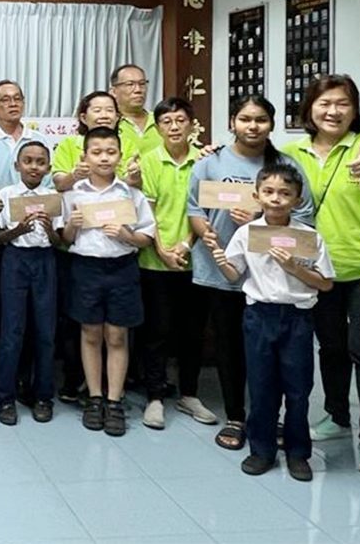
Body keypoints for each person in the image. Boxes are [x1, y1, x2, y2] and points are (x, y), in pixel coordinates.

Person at [284, 74, 360, 478]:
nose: (333, 111)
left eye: (343, 104)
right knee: (330, 348)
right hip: (319, 270)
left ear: (354, 110)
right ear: (310, 109)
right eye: (325, 103)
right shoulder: (290, 152)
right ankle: (337, 416)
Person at [188, 94, 315, 452]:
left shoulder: (285, 165)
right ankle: (236, 416)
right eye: (245, 119)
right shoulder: (210, 162)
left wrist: (260, 223)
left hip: (272, 277)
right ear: (232, 123)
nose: (252, 126)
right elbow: (194, 207)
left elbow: (305, 217)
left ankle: (269, 418)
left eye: (260, 119)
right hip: (221, 270)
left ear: (271, 125)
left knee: (270, 352)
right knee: (229, 348)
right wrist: (204, 232)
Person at [212, 164, 335, 482]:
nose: (276, 199)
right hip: (259, 317)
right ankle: (261, 450)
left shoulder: (308, 236)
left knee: (298, 390)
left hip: (297, 318)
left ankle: (298, 453)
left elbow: (325, 284)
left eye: (285, 193)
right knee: (262, 387)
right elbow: (234, 275)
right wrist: (221, 261)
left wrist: (295, 267)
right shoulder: (247, 233)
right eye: (268, 192)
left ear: (297, 199)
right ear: (256, 196)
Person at [60, 127, 156, 437]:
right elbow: (64, 239)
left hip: (122, 268)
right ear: (85, 156)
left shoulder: (131, 194)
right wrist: (73, 227)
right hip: (85, 268)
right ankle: (94, 397)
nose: (104, 157)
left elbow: (145, 238)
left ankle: (114, 401)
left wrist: (126, 235)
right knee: (90, 333)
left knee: (117, 335)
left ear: (119, 155)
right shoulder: (74, 194)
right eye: (97, 152)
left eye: (110, 151)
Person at [136, 97, 216, 430]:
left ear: (191, 125)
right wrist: (164, 248)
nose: (173, 127)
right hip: (155, 260)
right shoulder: (149, 161)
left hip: (196, 261)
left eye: (180, 120)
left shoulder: (206, 162)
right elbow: (148, 211)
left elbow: (207, 212)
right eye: (166, 122)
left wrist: (185, 244)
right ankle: (154, 396)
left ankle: (189, 393)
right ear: (157, 127)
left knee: (192, 332)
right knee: (156, 331)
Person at [0, 139, 60, 425]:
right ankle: (5, 397)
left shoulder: (54, 197)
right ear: (17, 165)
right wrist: (17, 230)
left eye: (40, 162)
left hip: (45, 261)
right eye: (28, 161)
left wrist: (49, 228)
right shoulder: (7, 195)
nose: (34, 167)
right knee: (12, 331)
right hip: (15, 261)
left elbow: (62, 240)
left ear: (48, 167)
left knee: (45, 332)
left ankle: (42, 396)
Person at [51, 91, 142, 192]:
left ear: (117, 117)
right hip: (80, 205)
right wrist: (74, 176)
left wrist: (133, 178)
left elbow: (133, 186)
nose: (104, 115)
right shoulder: (68, 144)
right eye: (97, 110)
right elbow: (59, 184)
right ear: (84, 118)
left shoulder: (128, 145)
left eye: (109, 110)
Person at [0, 80, 49, 187]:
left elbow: (47, 181)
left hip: (30, 202)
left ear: (23, 104)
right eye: (5, 100)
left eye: (17, 99)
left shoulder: (39, 139)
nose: (13, 104)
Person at [109, 64, 163, 157]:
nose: (138, 90)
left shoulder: (160, 120)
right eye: (130, 84)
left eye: (142, 84)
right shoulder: (109, 123)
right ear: (114, 91)